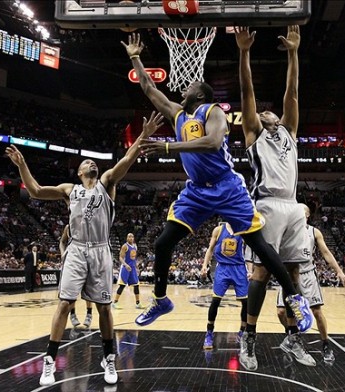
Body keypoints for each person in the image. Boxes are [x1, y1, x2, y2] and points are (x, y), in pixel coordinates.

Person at [121, 33, 311, 332]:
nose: (183, 88)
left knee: (260, 246)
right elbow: (148, 88)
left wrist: (169, 147)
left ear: (200, 94)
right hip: (196, 190)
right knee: (162, 243)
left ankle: (296, 297)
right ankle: (160, 299)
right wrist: (135, 57)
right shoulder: (177, 114)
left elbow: (211, 143)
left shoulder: (213, 112)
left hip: (227, 187)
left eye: (189, 87)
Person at [5, 111, 164, 387]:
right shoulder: (70, 190)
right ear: (79, 173)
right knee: (65, 303)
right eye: (85, 162)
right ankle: (49, 361)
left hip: (101, 250)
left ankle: (109, 358)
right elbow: (35, 191)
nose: (91, 163)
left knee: (104, 308)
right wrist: (22, 165)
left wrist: (143, 136)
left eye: (93, 162)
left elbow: (127, 160)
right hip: (77, 249)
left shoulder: (107, 184)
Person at [234, 25, 313, 371]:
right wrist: (244, 52)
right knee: (261, 274)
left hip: (294, 207)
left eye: (272, 111)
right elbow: (246, 91)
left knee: (294, 275)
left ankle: (293, 338)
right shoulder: (253, 134)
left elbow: (292, 92)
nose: (268, 111)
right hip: (265, 205)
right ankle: (247, 337)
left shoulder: (290, 132)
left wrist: (294, 53)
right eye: (263, 112)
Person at [277, 204, 345, 365]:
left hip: (307, 274)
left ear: (307, 215)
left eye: (302, 213)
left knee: (316, 311)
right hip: (288, 273)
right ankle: (292, 336)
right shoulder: (286, 229)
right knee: (281, 312)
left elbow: (326, 253)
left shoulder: (314, 232)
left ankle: (325, 345)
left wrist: (338, 271)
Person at [200, 222, 249, 350]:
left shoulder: (243, 230)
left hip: (239, 268)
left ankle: (242, 332)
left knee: (246, 302)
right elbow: (210, 249)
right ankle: (209, 334)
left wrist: (250, 269)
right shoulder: (218, 230)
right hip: (223, 267)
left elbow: (250, 250)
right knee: (215, 301)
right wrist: (205, 265)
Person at [59, 225, 94, 329]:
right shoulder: (68, 227)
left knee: (88, 292)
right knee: (71, 294)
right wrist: (62, 254)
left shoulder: (89, 225)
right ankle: (72, 314)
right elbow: (62, 242)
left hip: (88, 261)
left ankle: (89, 314)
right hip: (73, 262)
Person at [112, 233, 143, 309]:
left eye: (132, 236)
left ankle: (138, 303)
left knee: (136, 285)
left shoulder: (135, 246)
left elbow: (134, 258)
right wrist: (126, 265)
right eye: (129, 237)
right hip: (125, 268)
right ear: (127, 238)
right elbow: (121, 258)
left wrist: (136, 267)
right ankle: (115, 302)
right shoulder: (125, 246)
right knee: (122, 285)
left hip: (132, 268)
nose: (131, 238)